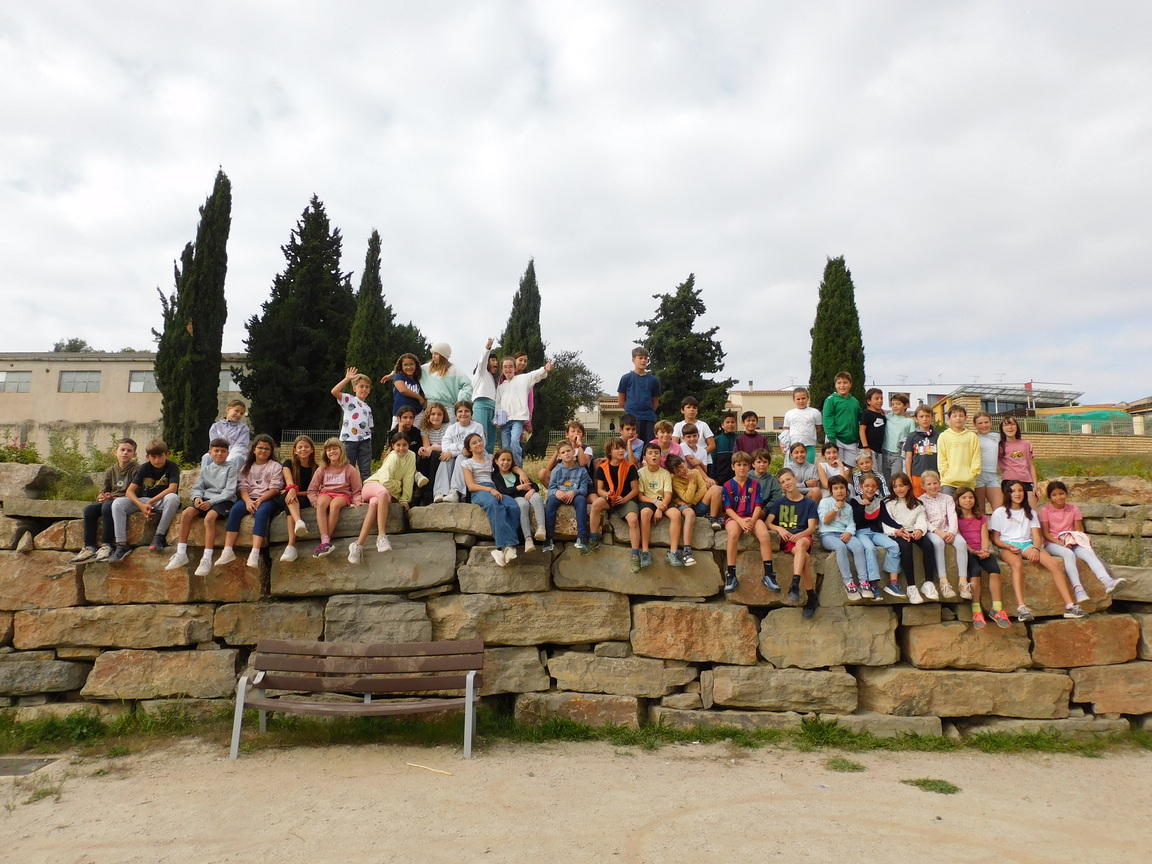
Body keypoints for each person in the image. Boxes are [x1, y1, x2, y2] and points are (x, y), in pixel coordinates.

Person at [990, 479, 1085, 621]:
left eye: (1020, 490)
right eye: (1013, 491)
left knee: (1053, 564)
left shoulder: (1030, 513)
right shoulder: (999, 512)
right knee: (1017, 564)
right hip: (1007, 545)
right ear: (1007, 493)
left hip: (1027, 544)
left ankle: (1070, 605)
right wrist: (1007, 546)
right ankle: (1022, 607)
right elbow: (995, 539)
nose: (1017, 494)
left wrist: (1035, 548)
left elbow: (1036, 536)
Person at [1041, 480, 1128, 597]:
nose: (1059, 497)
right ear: (1050, 497)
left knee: (1088, 552)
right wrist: (1059, 542)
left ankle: (1107, 581)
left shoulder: (1073, 509)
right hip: (1053, 543)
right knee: (1068, 554)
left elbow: (1078, 531)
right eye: (1054, 495)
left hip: (1072, 540)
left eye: (1061, 493)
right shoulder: (1046, 510)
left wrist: (1075, 541)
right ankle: (1078, 589)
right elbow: (1045, 532)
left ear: (1066, 494)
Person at [164, 438, 238, 575]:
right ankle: (181, 553)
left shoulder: (231, 468)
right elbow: (198, 487)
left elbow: (229, 491)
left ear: (228, 453)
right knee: (186, 514)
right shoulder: (207, 469)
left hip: (223, 500)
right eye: (216, 451)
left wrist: (211, 502)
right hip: (205, 499)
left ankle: (206, 558)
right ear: (210, 452)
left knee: (209, 518)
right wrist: (197, 497)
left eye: (223, 451)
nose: (219, 453)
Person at [217, 434, 285, 569]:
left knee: (261, 513)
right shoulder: (246, 467)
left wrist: (260, 500)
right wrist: (248, 501)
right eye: (260, 448)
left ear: (271, 451)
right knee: (236, 510)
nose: (263, 451)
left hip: (268, 499)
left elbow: (275, 488)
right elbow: (243, 487)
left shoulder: (275, 466)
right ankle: (228, 550)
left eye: (267, 449)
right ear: (254, 449)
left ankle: (255, 553)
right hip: (249, 498)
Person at [348, 431, 418, 562]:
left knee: (374, 504)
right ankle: (381, 536)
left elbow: (409, 478)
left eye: (404, 445)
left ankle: (357, 545)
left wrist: (404, 499)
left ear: (409, 445)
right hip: (372, 486)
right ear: (392, 445)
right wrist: (399, 485)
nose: (401, 448)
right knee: (382, 493)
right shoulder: (393, 457)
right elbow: (385, 481)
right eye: (398, 445)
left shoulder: (411, 456)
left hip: (385, 494)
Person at [108, 439, 181, 561]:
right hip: (144, 500)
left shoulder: (172, 466)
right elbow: (129, 492)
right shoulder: (144, 468)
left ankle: (159, 536)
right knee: (118, 503)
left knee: (173, 498)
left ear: (167, 454)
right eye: (153, 457)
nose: (157, 460)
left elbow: (172, 489)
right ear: (147, 457)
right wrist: (141, 505)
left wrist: (150, 502)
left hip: (162, 501)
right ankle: (121, 544)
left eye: (160, 456)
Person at [71, 438, 138, 563]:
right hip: (111, 500)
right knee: (89, 510)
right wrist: (101, 497)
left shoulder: (136, 469)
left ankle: (107, 545)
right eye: (122, 450)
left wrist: (112, 498)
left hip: (126, 502)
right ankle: (89, 547)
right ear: (115, 452)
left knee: (107, 507)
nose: (125, 453)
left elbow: (136, 493)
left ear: (134, 454)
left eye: (129, 451)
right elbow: (104, 490)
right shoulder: (110, 471)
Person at [461, 432, 522, 566]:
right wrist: (489, 490)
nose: (479, 444)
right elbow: (471, 486)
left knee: (513, 506)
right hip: (479, 491)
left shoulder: (490, 458)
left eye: (480, 441)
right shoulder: (467, 463)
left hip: (494, 488)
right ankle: (503, 546)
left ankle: (504, 549)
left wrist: (521, 472)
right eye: (474, 443)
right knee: (494, 506)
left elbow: (509, 464)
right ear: (469, 448)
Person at [767, 468, 820, 616]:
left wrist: (800, 535)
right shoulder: (779, 502)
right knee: (805, 558)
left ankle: (795, 583)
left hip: (804, 537)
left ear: (795, 479)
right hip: (788, 540)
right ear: (781, 486)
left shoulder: (809, 503)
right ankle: (811, 596)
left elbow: (811, 528)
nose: (787, 483)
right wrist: (780, 529)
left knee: (801, 544)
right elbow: (768, 523)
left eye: (788, 479)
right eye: (783, 482)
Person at [955, 487, 1011, 629]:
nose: (968, 500)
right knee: (975, 572)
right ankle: (976, 610)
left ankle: (997, 608)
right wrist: (973, 551)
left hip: (982, 550)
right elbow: (960, 538)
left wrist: (985, 550)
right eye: (964, 498)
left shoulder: (981, 518)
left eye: (971, 497)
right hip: (968, 551)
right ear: (958, 500)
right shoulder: (956, 519)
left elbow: (985, 537)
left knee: (995, 570)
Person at [721, 451, 776, 594]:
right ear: (733, 467)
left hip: (752, 516)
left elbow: (758, 506)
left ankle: (769, 574)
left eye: (745, 465)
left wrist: (752, 521)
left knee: (764, 535)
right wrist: (741, 521)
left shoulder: (755, 484)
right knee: (733, 534)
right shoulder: (728, 485)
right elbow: (728, 509)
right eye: (739, 465)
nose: (742, 468)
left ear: (749, 466)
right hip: (735, 518)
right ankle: (731, 575)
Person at [883, 472, 937, 605]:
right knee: (906, 547)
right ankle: (911, 587)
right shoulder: (888, 503)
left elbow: (921, 519)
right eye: (895, 486)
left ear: (908, 486)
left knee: (928, 545)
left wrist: (919, 530)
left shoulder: (917, 504)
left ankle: (928, 583)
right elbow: (885, 523)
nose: (899, 489)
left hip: (913, 531)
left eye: (902, 485)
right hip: (898, 533)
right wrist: (897, 532)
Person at [818, 475, 874, 601]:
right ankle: (849, 583)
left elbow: (851, 523)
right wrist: (836, 508)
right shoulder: (825, 502)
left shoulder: (848, 507)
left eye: (842, 488)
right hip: (828, 535)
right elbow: (825, 520)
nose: (839, 491)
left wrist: (849, 532)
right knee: (840, 547)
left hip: (844, 534)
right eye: (836, 488)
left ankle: (864, 582)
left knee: (858, 546)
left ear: (846, 490)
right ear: (831, 490)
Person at [590, 437, 641, 570]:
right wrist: (606, 494)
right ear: (609, 452)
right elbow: (599, 490)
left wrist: (624, 499)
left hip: (626, 499)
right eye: (617, 448)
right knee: (596, 504)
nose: (621, 451)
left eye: (622, 448)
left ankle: (635, 554)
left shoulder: (630, 467)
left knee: (633, 519)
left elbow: (635, 490)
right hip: (610, 498)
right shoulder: (602, 468)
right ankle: (593, 538)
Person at [850, 472, 904, 598]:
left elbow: (886, 519)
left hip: (875, 532)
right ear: (861, 487)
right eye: (867, 486)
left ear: (877, 488)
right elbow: (856, 520)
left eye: (873, 486)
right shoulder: (855, 501)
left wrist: (900, 528)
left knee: (894, 546)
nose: (870, 489)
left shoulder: (879, 502)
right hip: (861, 532)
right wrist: (862, 506)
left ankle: (893, 582)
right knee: (870, 548)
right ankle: (873, 583)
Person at [307, 438, 363, 558]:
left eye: (334, 448)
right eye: (329, 450)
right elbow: (312, 489)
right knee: (321, 502)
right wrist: (314, 501)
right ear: (325, 453)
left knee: (335, 504)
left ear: (341, 450)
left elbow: (357, 490)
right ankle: (325, 541)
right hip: (326, 493)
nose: (332, 451)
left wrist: (358, 501)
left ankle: (326, 540)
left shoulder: (350, 469)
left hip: (343, 495)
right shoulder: (322, 469)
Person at [918, 470, 965, 600]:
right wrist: (939, 533)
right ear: (923, 486)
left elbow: (952, 516)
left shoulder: (947, 498)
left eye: (935, 483)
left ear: (940, 484)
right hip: (932, 532)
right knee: (938, 543)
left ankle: (963, 581)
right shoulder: (920, 501)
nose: (932, 486)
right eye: (929, 484)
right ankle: (943, 580)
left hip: (948, 529)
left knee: (961, 543)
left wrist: (951, 532)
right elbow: (924, 521)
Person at [496, 356, 550, 467]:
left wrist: (544, 369)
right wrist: (497, 419)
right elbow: (498, 404)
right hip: (504, 421)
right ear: (502, 369)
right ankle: (507, 469)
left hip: (518, 419)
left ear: (514, 368)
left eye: (510, 367)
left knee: (514, 442)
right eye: (505, 367)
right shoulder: (501, 387)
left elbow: (534, 375)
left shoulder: (523, 379)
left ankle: (518, 467)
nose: (508, 369)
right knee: (506, 447)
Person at [667, 453, 717, 567]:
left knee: (716, 489)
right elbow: (686, 498)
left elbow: (703, 490)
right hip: (684, 506)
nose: (682, 471)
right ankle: (687, 551)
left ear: (685, 462)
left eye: (682, 466)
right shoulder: (675, 481)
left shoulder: (695, 472)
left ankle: (714, 518)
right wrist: (691, 482)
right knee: (689, 514)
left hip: (696, 504)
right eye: (678, 471)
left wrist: (692, 502)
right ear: (674, 473)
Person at [493, 448, 546, 552]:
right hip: (514, 498)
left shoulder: (517, 474)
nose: (506, 462)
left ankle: (541, 528)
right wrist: (518, 488)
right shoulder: (496, 476)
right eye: (503, 460)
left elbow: (534, 485)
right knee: (523, 505)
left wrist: (532, 490)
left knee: (537, 497)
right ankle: (528, 539)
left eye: (508, 460)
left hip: (527, 494)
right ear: (496, 461)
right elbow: (502, 491)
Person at [544, 439, 591, 554]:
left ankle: (582, 537)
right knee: (551, 501)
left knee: (581, 500)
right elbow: (551, 489)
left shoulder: (582, 471)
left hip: (575, 496)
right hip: (560, 495)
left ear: (574, 451)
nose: (566, 454)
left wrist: (574, 492)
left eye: (568, 451)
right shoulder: (556, 470)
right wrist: (556, 492)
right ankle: (548, 538)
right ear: (559, 456)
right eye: (563, 452)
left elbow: (584, 490)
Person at [276, 435, 316, 563]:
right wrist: (292, 489)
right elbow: (288, 479)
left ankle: (291, 546)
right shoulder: (288, 463)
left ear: (312, 449)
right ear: (295, 451)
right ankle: (298, 522)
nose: (303, 449)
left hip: (303, 497)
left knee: (291, 502)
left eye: (306, 447)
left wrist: (296, 493)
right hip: (288, 494)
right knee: (289, 498)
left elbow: (313, 491)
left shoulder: (316, 468)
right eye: (300, 447)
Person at [434, 400, 484, 503]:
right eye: (460, 411)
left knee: (461, 458)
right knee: (445, 458)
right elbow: (445, 447)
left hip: (472, 457)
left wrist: (454, 452)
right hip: (456, 454)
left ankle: (456, 492)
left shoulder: (477, 427)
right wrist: (460, 448)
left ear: (471, 413)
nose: (463, 414)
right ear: (456, 414)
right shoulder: (452, 428)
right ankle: (440, 492)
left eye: (466, 411)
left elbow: (477, 447)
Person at [637, 442, 676, 569]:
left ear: (661, 456)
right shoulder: (640, 473)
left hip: (663, 501)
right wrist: (655, 502)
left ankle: (673, 552)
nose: (653, 455)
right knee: (645, 513)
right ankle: (645, 551)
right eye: (650, 453)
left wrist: (660, 507)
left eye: (656, 453)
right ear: (645, 458)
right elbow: (640, 496)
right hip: (649, 501)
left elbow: (668, 495)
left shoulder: (665, 473)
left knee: (676, 514)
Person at [332, 367, 374, 480]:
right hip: (349, 440)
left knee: (365, 469)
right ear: (354, 388)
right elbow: (334, 391)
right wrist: (347, 378)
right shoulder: (349, 399)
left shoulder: (368, 408)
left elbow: (370, 426)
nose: (364, 389)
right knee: (348, 468)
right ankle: (347, 489)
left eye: (367, 387)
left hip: (364, 441)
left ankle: (366, 489)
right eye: (361, 386)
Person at [617, 346, 661, 445]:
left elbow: (655, 402)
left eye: (645, 358)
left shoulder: (653, 380)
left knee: (649, 446)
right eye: (640, 358)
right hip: (632, 419)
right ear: (633, 360)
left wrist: (647, 411)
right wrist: (631, 410)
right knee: (633, 446)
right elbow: (621, 401)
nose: (643, 360)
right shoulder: (626, 378)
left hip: (649, 418)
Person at [937, 404, 981, 496]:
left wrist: (973, 474)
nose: (958, 418)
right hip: (948, 482)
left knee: (966, 504)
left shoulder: (972, 436)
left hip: (968, 482)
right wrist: (946, 474)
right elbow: (941, 458)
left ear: (965, 418)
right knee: (948, 505)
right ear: (949, 419)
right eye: (955, 416)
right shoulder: (944, 436)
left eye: (961, 416)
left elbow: (976, 457)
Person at [822, 371, 861, 468]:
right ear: (835, 385)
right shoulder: (831, 400)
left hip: (852, 441)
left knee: (849, 469)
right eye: (839, 383)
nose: (842, 385)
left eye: (845, 382)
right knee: (836, 468)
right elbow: (827, 419)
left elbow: (861, 415)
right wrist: (831, 439)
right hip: (836, 439)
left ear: (850, 384)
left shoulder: (854, 401)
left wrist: (875, 410)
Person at [421, 343, 473, 415]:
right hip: (431, 408)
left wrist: (461, 401)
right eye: (433, 353)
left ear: (443, 355)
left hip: (448, 409)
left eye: (436, 354)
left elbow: (468, 385)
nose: (433, 356)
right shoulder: (425, 369)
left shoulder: (454, 370)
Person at [539, 421, 594, 487]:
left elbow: (582, 463)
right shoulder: (564, 450)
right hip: (564, 479)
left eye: (579, 431)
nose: (576, 433)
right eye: (573, 431)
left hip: (580, 480)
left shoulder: (587, 449)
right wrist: (559, 448)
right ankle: (555, 491)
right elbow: (548, 468)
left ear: (583, 436)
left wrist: (579, 444)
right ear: (567, 435)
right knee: (542, 473)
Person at [998, 417, 1038, 509]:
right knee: (1012, 511)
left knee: (1033, 512)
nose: (1009, 427)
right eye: (1006, 425)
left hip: (1026, 481)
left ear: (1017, 426)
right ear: (1002, 428)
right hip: (1009, 481)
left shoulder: (1026, 444)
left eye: (1012, 424)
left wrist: (1035, 485)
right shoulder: (999, 446)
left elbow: (1030, 465)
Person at [416, 402, 449, 506]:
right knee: (421, 456)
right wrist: (423, 449)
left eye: (439, 414)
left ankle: (430, 492)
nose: (436, 417)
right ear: (428, 415)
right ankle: (421, 488)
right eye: (433, 414)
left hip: (442, 454)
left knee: (434, 454)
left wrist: (433, 447)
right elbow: (426, 446)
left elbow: (446, 446)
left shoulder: (448, 427)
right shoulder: (425, 428)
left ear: (443, 416)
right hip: (431, 455)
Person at [470, 339, 500, 453]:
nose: (496, 362)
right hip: (481, 406)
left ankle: (489, 459)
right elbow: (481, 362)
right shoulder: (481, 372)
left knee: (491, 438)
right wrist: (487, 348)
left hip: (492, 408)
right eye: (492, 360)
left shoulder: (491, 378)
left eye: (496, 360)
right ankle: (479, 459)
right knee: (481, 435)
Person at [903, 405, 940, 497]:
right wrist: (909, 477)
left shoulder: (939, 436)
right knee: (918, 500)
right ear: (916, 419)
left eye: (927, 416)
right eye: (921, 416)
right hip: (917, 475)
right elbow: (908, 458)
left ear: (932, 418)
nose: (925, 419)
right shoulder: (911, 437)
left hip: (935, 475)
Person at [780, 387, 823, 464]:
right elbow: (785, 431)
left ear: (808, 398)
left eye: (803, 398)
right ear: (794, 400)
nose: (801, 401)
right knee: (793, 469)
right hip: (793, 446)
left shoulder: (815, 412)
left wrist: (809, 435)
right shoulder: (789, 413)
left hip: (809, 446)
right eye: (798, 399)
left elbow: (819, 429)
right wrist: (782, 443)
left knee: (809, 468)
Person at [974, 411, 1002, 515]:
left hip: (992, 476)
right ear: (975, 425)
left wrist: (1029, 445)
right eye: (980, 423)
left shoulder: (997, 436)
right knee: (980, 510)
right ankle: (984, 527)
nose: (984, 425)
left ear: (990, 423)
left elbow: (1013, 441)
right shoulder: (973, 437)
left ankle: (996, 527)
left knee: (1000, 509)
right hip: (978, 475)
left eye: (986, 422)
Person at [882, 393, 915, 482]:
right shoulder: (887, 417)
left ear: (906, 405)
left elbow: (911, 439)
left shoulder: (909, 422)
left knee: (895, 479)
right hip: (884, 453)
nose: (895, 406)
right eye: (893, 404)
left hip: (898, 455)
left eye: (898, 404)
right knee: (885, 481)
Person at [209, 399, 250, 469]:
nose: (238, 414)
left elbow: (240, 446)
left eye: (241, 413)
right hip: (219, 454)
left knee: (238, 458)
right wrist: (221, 454)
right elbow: (215, 444)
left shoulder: (243, 428)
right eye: (236, 411)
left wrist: (228, 458)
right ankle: (206, 475)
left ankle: (232, 475)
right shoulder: (216, 427)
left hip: (235, 455)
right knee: (206, 457)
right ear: (228, 409)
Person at [387, 353, 425, 429]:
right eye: (405, 365)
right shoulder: (399, 376)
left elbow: (422, 394)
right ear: (401, 366)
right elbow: (402, 390)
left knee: (416, 435)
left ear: (416, 365)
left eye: (411, 364)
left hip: (417, 415)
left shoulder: (417, 380)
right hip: (400, 415)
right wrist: (419, 398)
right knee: (396, 435)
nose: (409, 367)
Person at [857, 388, 887, 475]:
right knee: (870, 473)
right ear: (869, 401)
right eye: (876, 398)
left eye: (881, 398)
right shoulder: (866, 413)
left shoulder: (882, 415)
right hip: (868, 448)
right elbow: (862, 430)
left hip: (879, 449)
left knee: (879, 473)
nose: (880, 401)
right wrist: (866, 447)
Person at [712, 411, 738, 484]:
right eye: (728, 422)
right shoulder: (717, 439)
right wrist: (714, 477)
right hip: (720, 478)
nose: (730, 424)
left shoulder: (739, 439)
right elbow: (713, 459)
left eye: (732, 422)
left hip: (736, 477)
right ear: (722, 425)